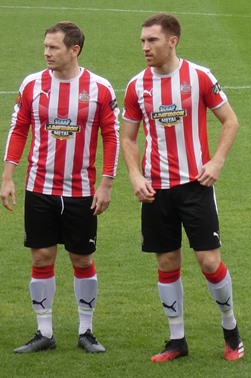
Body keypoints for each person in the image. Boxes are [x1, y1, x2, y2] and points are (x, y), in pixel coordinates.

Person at [121, 13, 243, 362]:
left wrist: (217, 161)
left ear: (172, 41)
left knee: (208, 260)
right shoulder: (136, 85)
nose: (145, 47)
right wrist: (134, 174)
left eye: (152, 40)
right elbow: (128, 138)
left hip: (195, 184)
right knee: (167, 259)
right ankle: (177, 339)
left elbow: (230, 121)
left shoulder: (199, 76)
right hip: (156, 189)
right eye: (143, 41)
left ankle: (230, 329)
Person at [1, 21, 118, 354]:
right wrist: (8, 176)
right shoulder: (32, 84)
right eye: (45, 46)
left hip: (81, 190)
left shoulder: (99, 88)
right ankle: (44, 332)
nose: (46, 53)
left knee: (82, 259)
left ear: (74, 50)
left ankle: (86, 331)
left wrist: (106, 184)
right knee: (41, 255)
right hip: (39, 188)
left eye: (53, 47)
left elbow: (111, 137)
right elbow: (19, 128)